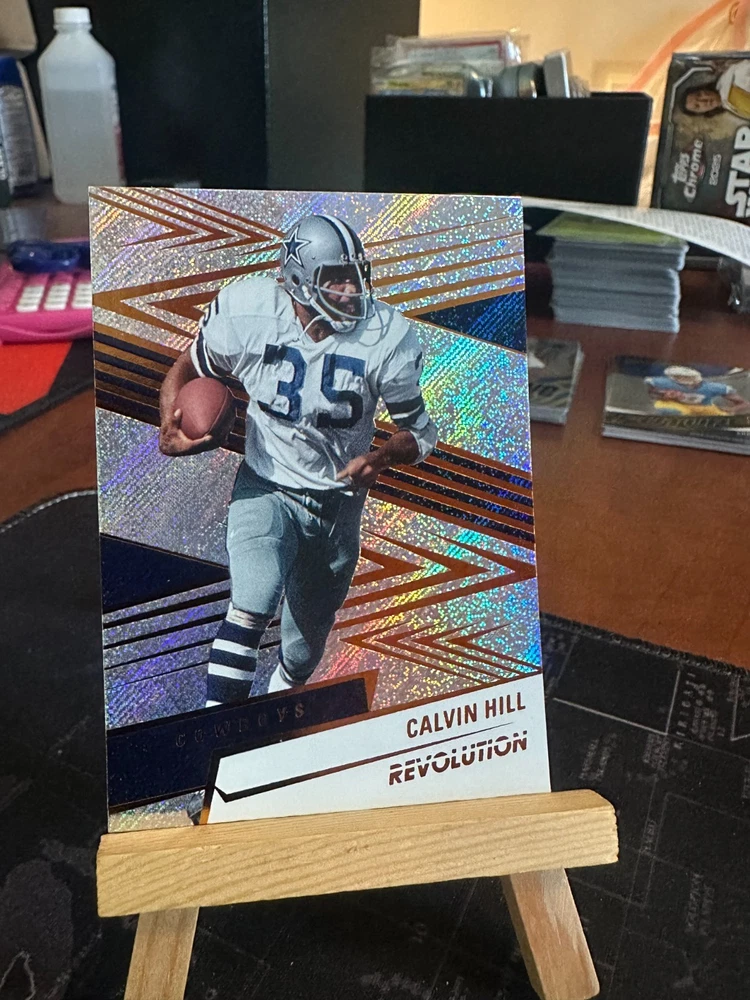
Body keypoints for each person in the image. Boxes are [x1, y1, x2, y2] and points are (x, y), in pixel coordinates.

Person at [158, 214, 437, 706]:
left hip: (336, 505)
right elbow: (189, 366)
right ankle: (215, 728)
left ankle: (278, 715)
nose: (351, 290)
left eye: (356, 275)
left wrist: (382, 456)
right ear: (298, 280)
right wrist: (170, 424)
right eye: (336, 278)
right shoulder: (249, 312)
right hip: (266, 483)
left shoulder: (387, 337)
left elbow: (421, 433)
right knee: (252, 601)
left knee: (302, 650)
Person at [645, 365, 750, 415]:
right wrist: (662, 395)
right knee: (668, 410)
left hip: (705, 408)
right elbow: (650, 387)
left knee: (723, 419)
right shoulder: (665, 383)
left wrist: (732, 410)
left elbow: (745, 403)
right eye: (680, 378)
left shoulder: (712, 388)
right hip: (678, 405)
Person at [681, 60, 750, 120]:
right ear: (700, 112)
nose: (703, 102)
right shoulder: (727, 104)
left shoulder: (734, 78)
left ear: (703, 89)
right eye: (697, 106)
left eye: (699, 95)